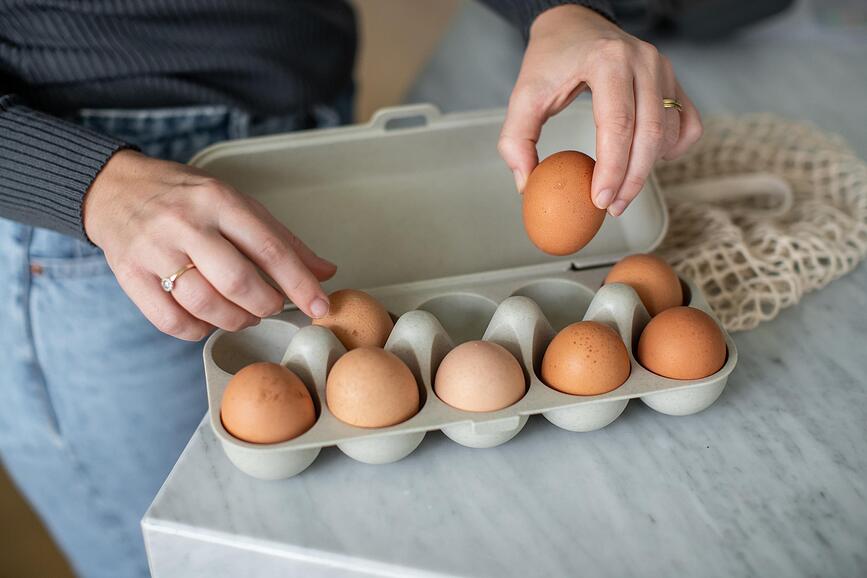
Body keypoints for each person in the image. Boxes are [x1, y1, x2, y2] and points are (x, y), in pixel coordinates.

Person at [0, 1, 702, 576]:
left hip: (304, 119)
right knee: (184, 556)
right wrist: (91, 186)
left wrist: (560, 10)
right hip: (95, 214)